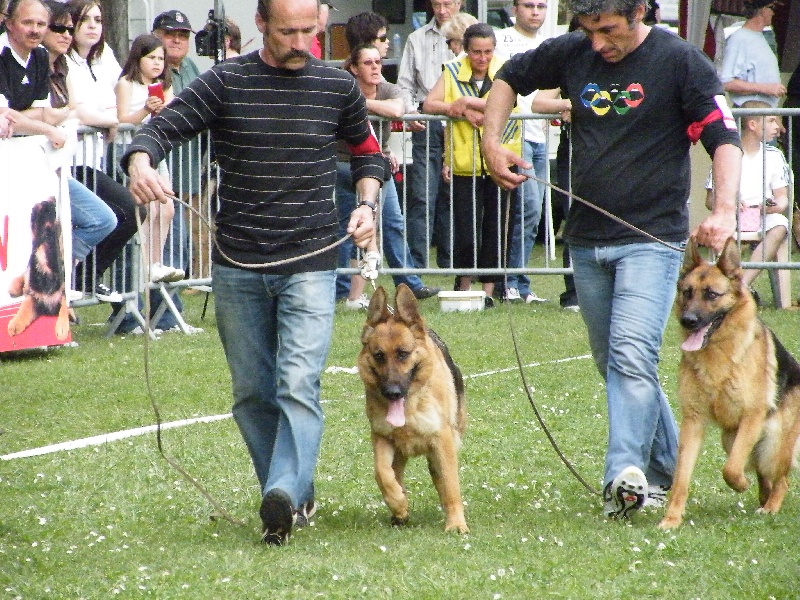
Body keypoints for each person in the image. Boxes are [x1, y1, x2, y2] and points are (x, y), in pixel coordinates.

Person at [122, 0, 386, 545]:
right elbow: (161, 128)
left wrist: (367, 203)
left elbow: (368, 154)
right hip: (239, 263)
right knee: (251, 392)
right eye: (287, 31)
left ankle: (284, 490)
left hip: (312, 261)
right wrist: (140, 161)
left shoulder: (336, 88)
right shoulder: (226, 80)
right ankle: (288, 491)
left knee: (297, 382)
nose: (299, 42)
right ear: (261, 24)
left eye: (309, 31)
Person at [481, 0, 742, 519]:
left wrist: (726, 209)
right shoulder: (573, 50)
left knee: (629, 354)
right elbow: (508, 77)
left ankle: (622, 477)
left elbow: (724, 136)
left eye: (609, 30)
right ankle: (665, 469)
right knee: (617, 363)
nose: (598, 43)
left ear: (640, 11)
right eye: (589, 31)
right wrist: (492, 142)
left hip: (652, 238)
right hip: (586, 236)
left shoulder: (681, 61)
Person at [336, 44, 441, 309]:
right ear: (354, 68)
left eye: (378, 62)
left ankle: (410, 283)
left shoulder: (386, 88)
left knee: (393, 223)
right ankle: (342, 290)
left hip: (375, 166)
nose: (375, 68)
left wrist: (359, 103)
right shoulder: (343, 88)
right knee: (347, 231)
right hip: (342, 165)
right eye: (368, 63)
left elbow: (397, 110)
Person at [424, 23, 521, 307]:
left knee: (496, 228)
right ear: (466, 51)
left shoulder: (506, 70)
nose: (483, 58)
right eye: (477, 52)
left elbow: (507, 103)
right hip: (464, 163)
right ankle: (463, 286)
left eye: (488, 52)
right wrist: (461, 110)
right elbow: (430, 103)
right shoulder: (452, 70)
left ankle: (490, 291)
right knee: (464, 231)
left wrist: (466, 101)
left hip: (502, 160)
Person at [40, 0, 116, 301]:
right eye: (59, 27)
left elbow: (71, 108)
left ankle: (62, 276)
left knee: (104, 218)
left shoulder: (62, 65)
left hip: (63, 163)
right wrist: (57, 118)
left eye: (69, 28)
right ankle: (58, 279)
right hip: (41, 163)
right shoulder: (38, 62)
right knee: (102, 218)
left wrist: (60, 116)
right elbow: (62, 112)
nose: (66, 34)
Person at [495, 0, 563, 304]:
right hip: (513, 136)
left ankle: (518, 282)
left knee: (532, 213)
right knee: (527, 208)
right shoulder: (500, 39)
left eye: (541, 6)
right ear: (514, 8)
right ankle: (510, 281)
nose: (535, 11)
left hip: (539, 136)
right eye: (528, 5)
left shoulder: (551, 45)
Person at [706, 101, 790, 307]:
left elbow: (783, 200)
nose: (777, 127)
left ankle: (741, 285)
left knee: (780, 223)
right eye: (771, 120)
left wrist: (772, 206)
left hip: (764, 216)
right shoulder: (726, 153)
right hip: (733, 215)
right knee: (720, 225)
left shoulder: (774, 156)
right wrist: (730, 204)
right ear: (752, 124)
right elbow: (709, 200)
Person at [397, 0, 461, 270]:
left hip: (460, 121)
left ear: (458, 3)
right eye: (437, 3)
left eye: (448, 3)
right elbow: (404, 83)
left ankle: (451, 261)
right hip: (428, 119)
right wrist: (411, 113)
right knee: (423, 193)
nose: (442, 9)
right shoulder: (416, 38)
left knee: (454, 195)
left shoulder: (468, 33)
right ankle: (418, 262)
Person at [115, 33, 183, 285]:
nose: (157, 63)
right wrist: (146, 109)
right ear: (138, 58)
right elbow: (122, 119)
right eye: (151, 57)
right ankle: (141, 266)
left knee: (167, 207)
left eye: (161, 59)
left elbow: (171, 120)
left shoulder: (165, 86)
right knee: (148, 208)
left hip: (156, 152)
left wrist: (166, 110)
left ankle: (155, 263)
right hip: (130, 150)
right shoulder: (126, 83)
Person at [719, 0, 785, 108]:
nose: (773, 13)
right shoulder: (739, 38)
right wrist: (767, 88)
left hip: (766, 114)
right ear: (762, 10)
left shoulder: (761, 38)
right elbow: (727, 83)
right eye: (772, 8)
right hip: (749, 115)